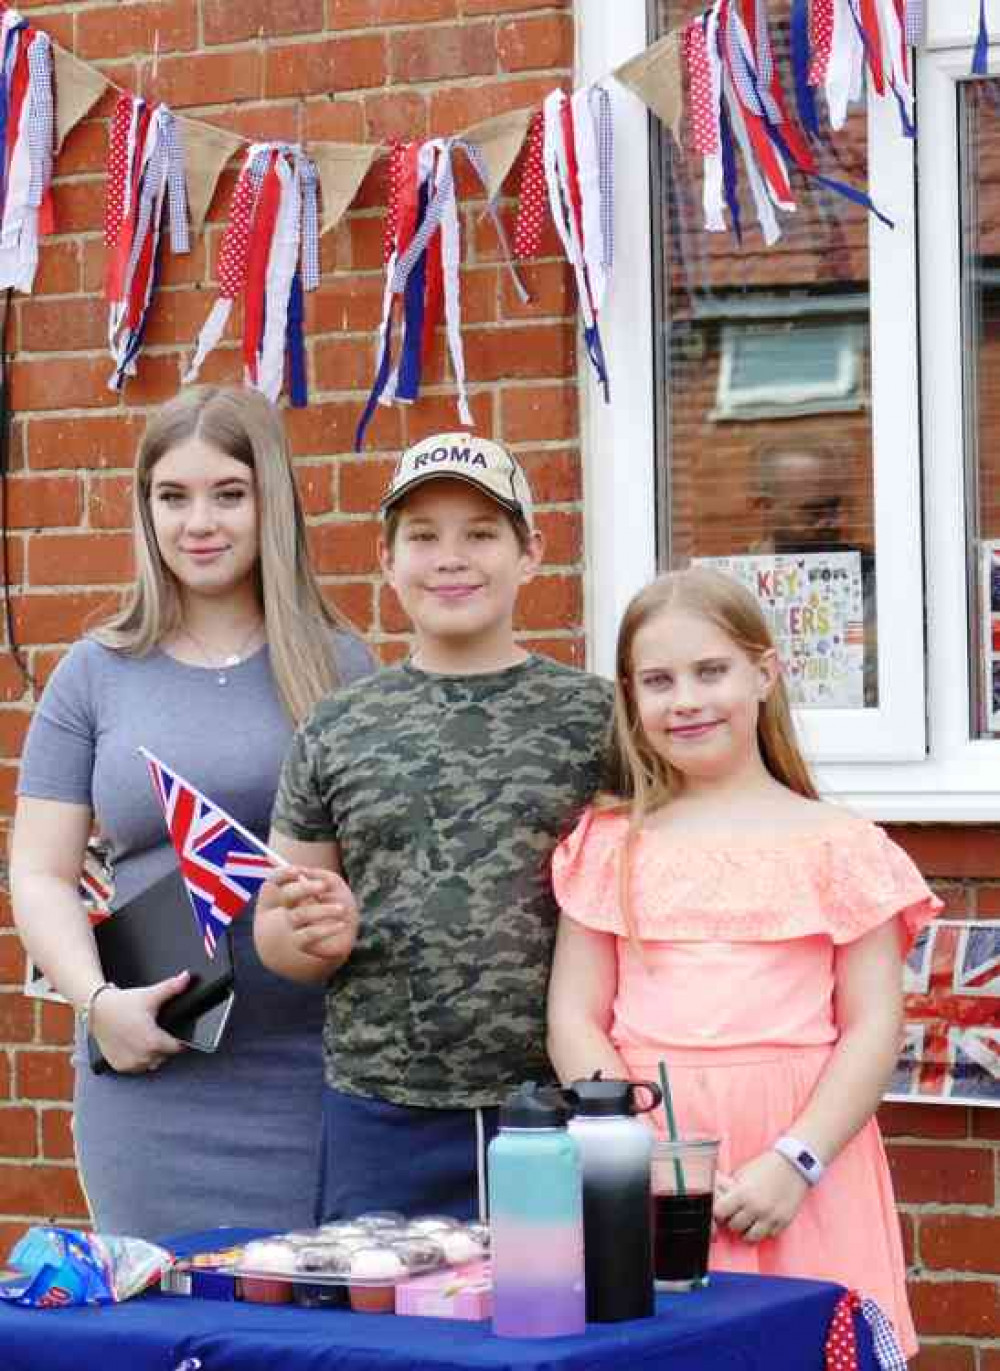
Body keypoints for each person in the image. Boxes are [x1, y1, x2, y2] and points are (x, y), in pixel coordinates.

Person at [10, 384, 374, 1242]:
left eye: (228, 494)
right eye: (173, 497)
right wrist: (99, 1002)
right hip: (151, 1075)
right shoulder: (94, 673)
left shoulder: (341, 666)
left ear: (270, 502)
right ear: (146, 510)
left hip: (310, 1079)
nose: (199, 522)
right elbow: (38, 872)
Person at [546, 566, 939, 1359]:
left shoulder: (841, 846)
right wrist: (634, 1151)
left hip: (805, 1162)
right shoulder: (609, 845)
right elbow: (574, 1016)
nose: (685, 698)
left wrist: (798, 1159)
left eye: (710, 670)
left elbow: (872, 1027)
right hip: (651, 1164)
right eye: (658, 680)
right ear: (631, 698)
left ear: (764, 673)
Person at [254, 432, 613, 1221]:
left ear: (531, 553)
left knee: (548, 1332)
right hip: (381, 1112)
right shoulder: (335, 728)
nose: (451, 557)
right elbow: (276, 934)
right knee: (384, 1339)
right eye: (423, 535)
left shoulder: (600, 719)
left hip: (559, 1109)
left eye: (481, 533)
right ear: (387, 559)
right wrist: (313, 933)